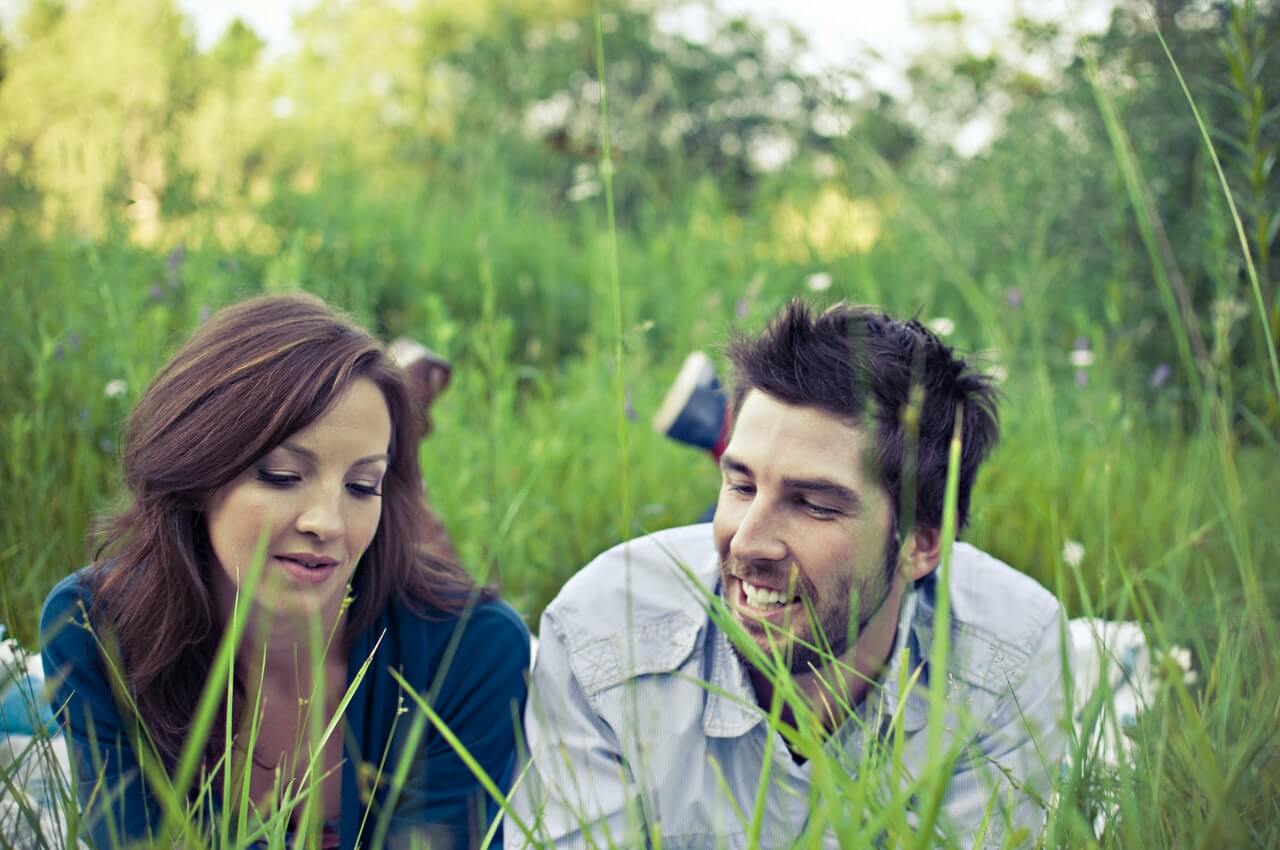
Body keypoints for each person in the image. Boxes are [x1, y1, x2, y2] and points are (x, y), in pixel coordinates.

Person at [508, 299, 1067, 849]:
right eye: (741, 485)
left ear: (920, 543)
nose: (745, 542)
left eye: (815, 504)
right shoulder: (603, 631)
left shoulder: (1009, 653)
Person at [41, 293, 530, 850]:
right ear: (197, 468)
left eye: (362, 486)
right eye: (279, 475)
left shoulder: (474, 651)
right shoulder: (94, 629)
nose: (328, 523)